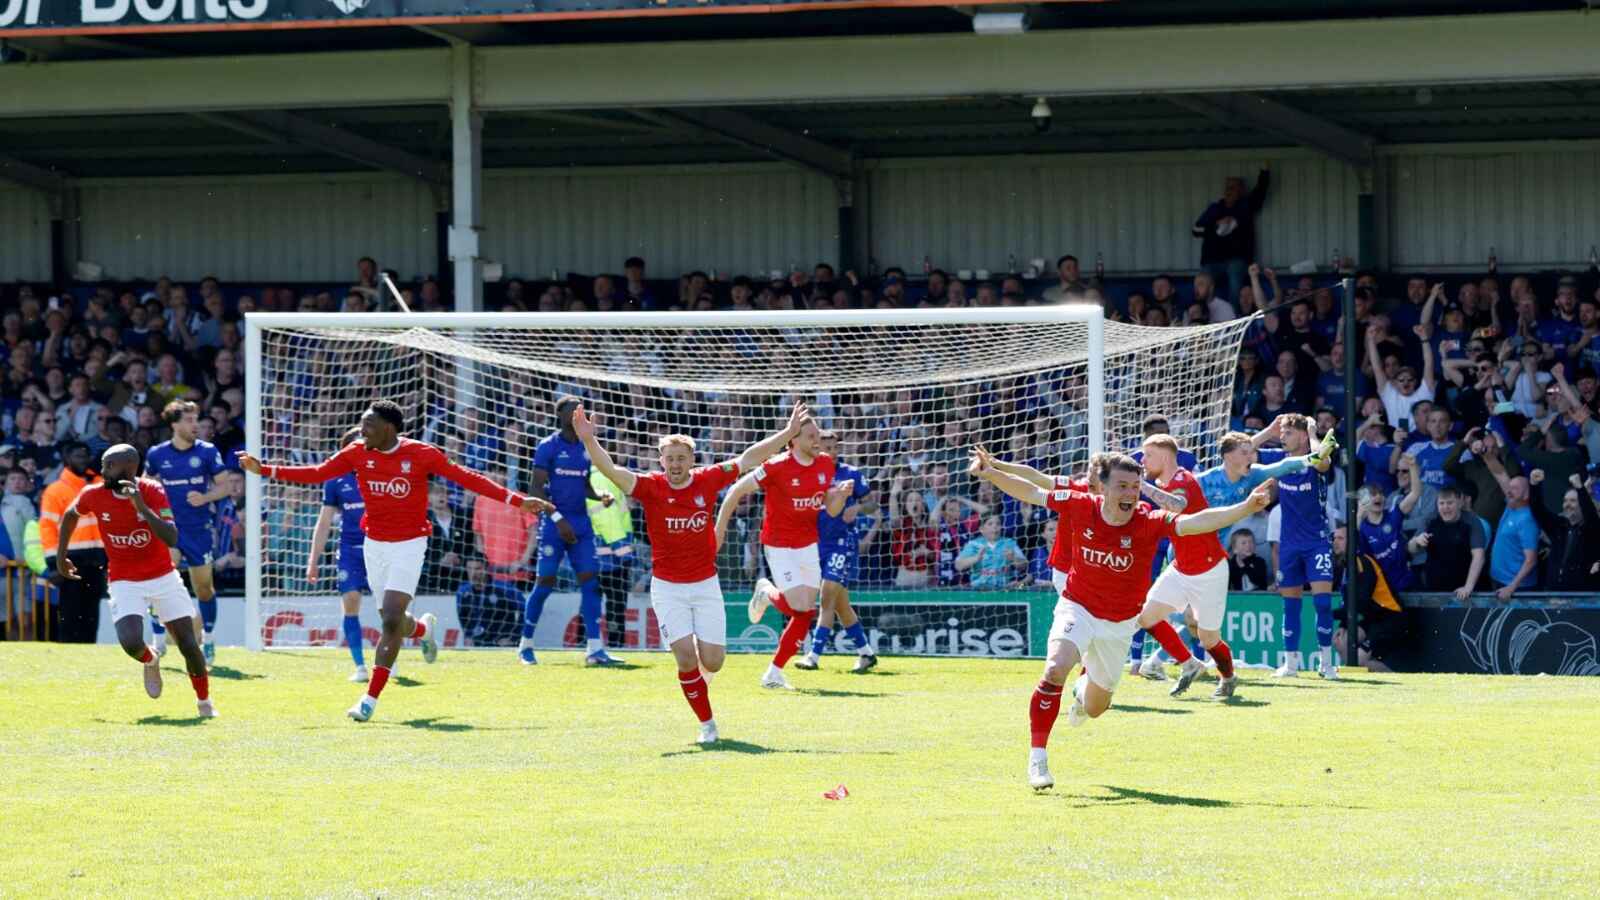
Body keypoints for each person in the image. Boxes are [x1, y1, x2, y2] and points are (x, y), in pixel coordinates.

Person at [969, 448, 1272, 791]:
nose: (1131, 493)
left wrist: (1246, 508)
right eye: (1123, 486)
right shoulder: (1080, 503)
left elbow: (1195, 522)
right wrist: (991, 473)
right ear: (1102, 487)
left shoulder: (1149, 519)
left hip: (1118, 624)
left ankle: (1085, 695)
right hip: (1077, 606)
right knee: (1055, 667)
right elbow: (1033, 490)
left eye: (1135, 485)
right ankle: (1038, 758)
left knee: (1097, 708)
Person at [238, 401, 551, 722]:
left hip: (410, 544)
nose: (361, 431)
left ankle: (369, 699)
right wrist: (265, 469)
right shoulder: (357, 452)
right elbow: (318, 473)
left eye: (368, 425)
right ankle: (422, 629)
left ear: (388, 428)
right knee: (395, 622)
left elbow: (468, 478)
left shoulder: (421, 453)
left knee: (388, 619)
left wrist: (517, 501)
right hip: (373, 545)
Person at [574, 401, 809, 744]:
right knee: (685, 657)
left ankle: (699, 684)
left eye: (681, 458)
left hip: (704, 584)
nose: (675, 465)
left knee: (713, 662)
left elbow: (748, 458)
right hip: (668, 588)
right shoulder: (651, 486)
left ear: (691, 461)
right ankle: (707, 724)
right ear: (661, 461)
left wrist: (788, 433)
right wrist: (589, 441)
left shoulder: (707, 480)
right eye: (669, 459)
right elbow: (611, 471)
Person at [58, 444, 214, 718]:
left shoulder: (152, 491)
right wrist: (62, 557)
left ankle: (204, 703)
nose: (102, 471)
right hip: (124, 580)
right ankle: (151, 659)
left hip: (163, 576)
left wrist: (139, 504)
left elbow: (171, 538)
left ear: (128, 469)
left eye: (108, 466)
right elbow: (71, 515)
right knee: (130, 642)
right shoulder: (93, 493)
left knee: (188, 645)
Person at [715, 408, 852, 690]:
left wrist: (839, 497)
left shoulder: (826, 465)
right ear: (794, 440)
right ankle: (766, 592)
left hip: (807, 544)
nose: (818, 441)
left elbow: (832, 509)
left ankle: (773, 673)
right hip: (778, 544)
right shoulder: (776, 466)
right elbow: (734, 491)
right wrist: (719, 530)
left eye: (818, 435)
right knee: (801, 606)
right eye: (812, 436)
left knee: (805, 612)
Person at [1131, 434, 1257, 700]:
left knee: (1208, 638)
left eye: (1148, 455)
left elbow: (1178, 505)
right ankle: (1189, 665)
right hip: (1181, 567)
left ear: (1164, 457)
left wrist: (1142, 486)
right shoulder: (1165, 482)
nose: (1142, 460)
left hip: (1210, 570)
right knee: (1146, 617)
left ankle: (1229, 677)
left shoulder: (1182, 479)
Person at [519, 396, 620, 667]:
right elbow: (536, 490)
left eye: (581, 409)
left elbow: (584, 485)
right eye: (573, 410)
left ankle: (595, 650)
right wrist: (557, 517)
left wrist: (600, 496)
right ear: (561, 414)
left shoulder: (586, 449)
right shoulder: (547, 447)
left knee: (591, 582)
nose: (579, 413)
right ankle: (526, 645)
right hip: (554, 524)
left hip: (581, 525)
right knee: (546, 582)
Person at [144, 400, 229, 667]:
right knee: (159, 583)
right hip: (169, 530)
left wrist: (205, 497)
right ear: (174, 424)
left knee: (203, 588)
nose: (196, 425)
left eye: (197, 420)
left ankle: (209, 639)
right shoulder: (157, 455)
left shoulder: (207, 452)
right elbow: (146, 488)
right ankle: (158, 641)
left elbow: (225, 487)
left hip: (199, 529)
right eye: (190, 421)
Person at [797, 428, 879, 673]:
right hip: (815, 544)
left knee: (826, 597)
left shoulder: (851, 474)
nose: (830, 452)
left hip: (843, 543)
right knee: (840, 604)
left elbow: (873, 503)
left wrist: (859, 510)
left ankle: (813, 655)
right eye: (825, 447)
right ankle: (866, 653)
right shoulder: (809, 473)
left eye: (834, 448)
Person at [1271, 414, 1340, 679]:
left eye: (1288, 433)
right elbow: (1249, 451)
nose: (1282, 438)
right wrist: (1269, 430)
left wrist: (1313, 433)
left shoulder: (1316, 458)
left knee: (1322, 603)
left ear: (1301, 436)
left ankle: (1326, 664)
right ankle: (1290, 665)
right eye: (1282, 433)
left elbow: (1323, 462)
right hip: (1289, 545)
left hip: (1317, 542)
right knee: (1291, 606)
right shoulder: (1280, 461)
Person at [306, 427, 371, 682]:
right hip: (349, 549)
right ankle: (360, 667)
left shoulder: (381, 472)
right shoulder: (336, 480)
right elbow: (324, 524)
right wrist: (313, 561)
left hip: (381, 546)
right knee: (351, 600)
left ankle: (399, 652)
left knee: (388, 608)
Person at [40, 442, 106, 643]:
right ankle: (69, 649)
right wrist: (54, 564)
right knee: (70, 611)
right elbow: (47, 528)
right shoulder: (55, 490)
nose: (83, 460)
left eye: (85, 456)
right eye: (78, 456)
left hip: (97, 559)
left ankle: (87, 651)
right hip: (71, 560)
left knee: (92, 611)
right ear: (67, 459)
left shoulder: (99, 484)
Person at [1191, 164, 1270, 302]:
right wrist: (1216, 225)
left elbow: (1260, 193)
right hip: (1211, 260)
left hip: (1236, 259)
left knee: (1235, 284)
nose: (1229, 191)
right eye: (1227, 187)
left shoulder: (1245, 207)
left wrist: (1264, 172)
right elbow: (1196, 230)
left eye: (1233, 188)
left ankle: (1234, 319)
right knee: (1202, 283)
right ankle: (1201, 315)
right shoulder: (1214, 209)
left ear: (1241, 190)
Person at [1355, 455, 1424, 595]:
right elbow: (1356, 554)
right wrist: (1358, 516)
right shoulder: (1361, 528)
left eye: (1380, 493)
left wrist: (1412, 467)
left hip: (1405, 586)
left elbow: (1415, 494)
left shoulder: (1393, 515)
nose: (1378, 497)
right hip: (1380, 591)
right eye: (1373, 495)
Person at [1409, 485, 1487, 600]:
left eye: (1450, 503)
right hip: (1435, 589)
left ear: (1460, 503)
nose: (1445, 507)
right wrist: (1416, 541)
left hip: (1464, 591)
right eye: (1442, 503)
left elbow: (1479, 556)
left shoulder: (1472, 521)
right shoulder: (1430, 520)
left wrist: (1468, 587)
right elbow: (1410, 549)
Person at [1526, 470, 1600, 591]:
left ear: (1582, 503)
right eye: (1565, 500)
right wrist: (1534, 485)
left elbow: (1590, 514)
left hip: (1581, 598)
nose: (1567, 504)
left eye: (1572, 501)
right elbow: (1538, 510)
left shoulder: (1591, 529)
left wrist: (1580, 488)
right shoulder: (1559, 526)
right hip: (1553, 593)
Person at [1480, 452, 1540, 600]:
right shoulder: (1511, 506)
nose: (1509, 491)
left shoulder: (1527, 519)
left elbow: (1531, 560)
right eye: (1510, 487)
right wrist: (1484, 453)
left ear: (1526, 495)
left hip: (1518, 588)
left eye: (1515, 489)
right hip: (1498, 579)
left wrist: (1512, 587)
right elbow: (1499, 473)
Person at [457, 557, 524, 648]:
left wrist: (513, 637)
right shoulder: (463, 591)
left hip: (503, 644)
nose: (473, 573)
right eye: (469, 569)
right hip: (478, 643)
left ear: (486, 569)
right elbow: (463, 617)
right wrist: (468, 636)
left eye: (477, 569)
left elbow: (526, 610)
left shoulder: (504, 588)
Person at [955, 514, 1028, 590]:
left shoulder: (1010, 543)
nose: (995, 526)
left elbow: (1024, 565)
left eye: (998, 524)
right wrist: (976, 558)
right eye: (990, 524)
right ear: (981, 529)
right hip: (979, 590)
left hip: (1004, 590)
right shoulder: (973, 544)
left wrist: (1013, 558)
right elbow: (958, 565)